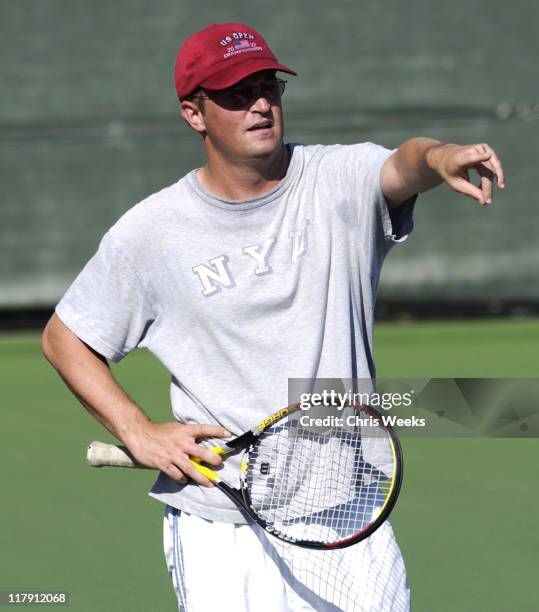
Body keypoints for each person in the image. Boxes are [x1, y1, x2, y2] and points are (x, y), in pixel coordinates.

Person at [42, 21, 504, 612]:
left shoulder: (340, 179)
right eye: (236, 94)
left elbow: (405, 163)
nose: (259, 104)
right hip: (220, 531)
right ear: (194, 114)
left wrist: (440, 157)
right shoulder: (150, 233)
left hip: (349, 510)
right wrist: (139, 430)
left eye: (269, 87)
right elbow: (65, 339)